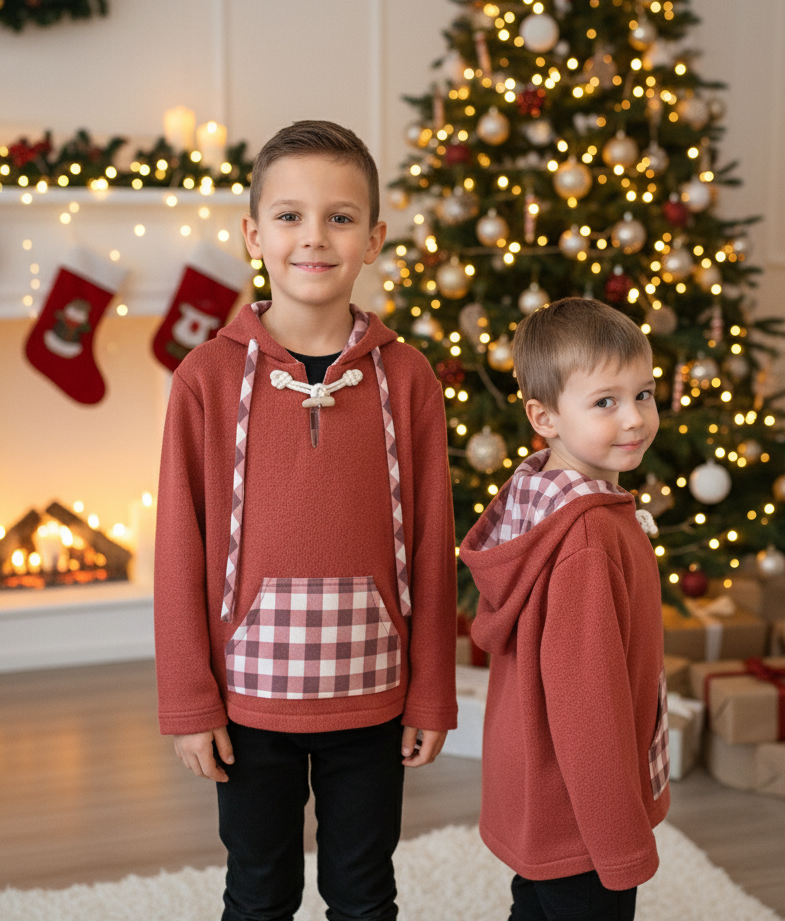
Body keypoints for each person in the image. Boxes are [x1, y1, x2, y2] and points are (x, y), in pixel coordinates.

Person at [154, 120, 457, 921]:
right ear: (254, 234)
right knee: (258, 892)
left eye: (340, 217)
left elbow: (433, 546)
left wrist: (432, 692)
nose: (314, 237)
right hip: (248, 705)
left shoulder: (409, 378)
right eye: (289, 216)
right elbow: (179, 550)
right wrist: (190, 702)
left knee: (364, 893)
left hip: (375, 697)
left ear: (374, 238)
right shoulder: (204, 379)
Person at [460, 296, 669, 921]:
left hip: (541, 789)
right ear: (543, 416)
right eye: (605, 401)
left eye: (644, 394)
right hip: (582, 809)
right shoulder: (587, 538)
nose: (634, 418)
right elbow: (588, 704)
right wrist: (619, 840)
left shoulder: (538, 496)